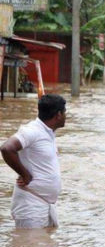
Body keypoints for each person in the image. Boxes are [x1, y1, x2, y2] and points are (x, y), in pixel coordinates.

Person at [0, 94, 66, 228]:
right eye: (65, 112)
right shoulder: (32, 131)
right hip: (30, 204)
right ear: (58, 115)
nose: (66, 116)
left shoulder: (48, 133)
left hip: (45, 204)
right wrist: (25, 174)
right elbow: (7, 148)